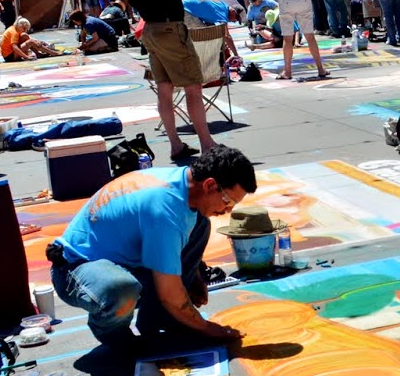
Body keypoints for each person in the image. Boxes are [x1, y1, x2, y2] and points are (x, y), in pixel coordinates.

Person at [48, 144, 254, 355]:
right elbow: (169, 293)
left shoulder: (182, 183)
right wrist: (208, 328)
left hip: (120, 256)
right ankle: (116, 337)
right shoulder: (164, 209)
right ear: (210, 185)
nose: (227, 210)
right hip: (76, 269)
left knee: (201, 222)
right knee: (121, 290)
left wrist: (193, 276)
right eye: (228, 201)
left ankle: (164, 317)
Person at [122, 0, 213, 162]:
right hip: (170, 28)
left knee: (164, 88)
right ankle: (207, 143)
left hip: (151, 28)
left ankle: (175, 144)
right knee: (193, 86)